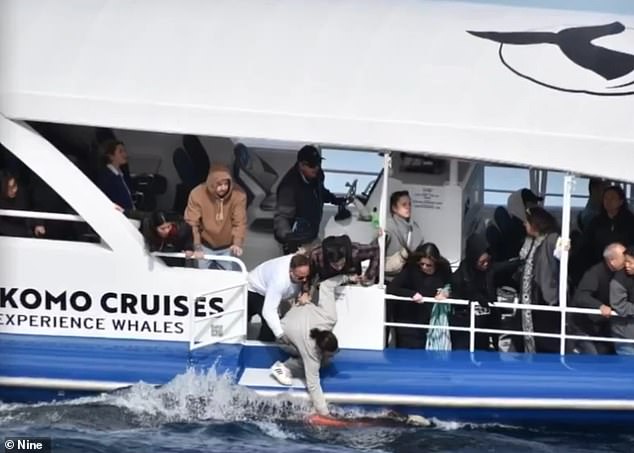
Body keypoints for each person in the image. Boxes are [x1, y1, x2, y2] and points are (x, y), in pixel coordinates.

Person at [269, 274, 346, 416]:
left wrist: (348, 277)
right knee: (321, 363)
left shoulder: (329, 319)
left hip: (295, 312)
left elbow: (327, 285)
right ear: (320, 349)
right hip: (282, 336)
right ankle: (283, 367)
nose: (333, 356)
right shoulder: (312, 352)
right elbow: (313, 385)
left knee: (322, 360)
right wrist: (325, 414)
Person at [451, 233, 521, 351]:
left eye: (487, 261)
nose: (486, 264)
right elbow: (457, 299)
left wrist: (521, 261)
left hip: (487, 326)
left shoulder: (490, 271)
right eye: (482, 262)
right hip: (466, 329)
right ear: (473, 258)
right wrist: (475, 298)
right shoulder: (460, 276)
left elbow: (505, 266)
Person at [273, 145, 345, 254]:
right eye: (312, 164)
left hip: (312, 234)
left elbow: (321, 191)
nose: (316, 167)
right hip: (296, 239)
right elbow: (282, 216)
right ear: (301, 165)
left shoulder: (317, 175)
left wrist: (334, 199)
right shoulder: (289, 187)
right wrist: (287, 237)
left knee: (320, 260)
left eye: (318, 163)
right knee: (300, 268)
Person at [386, 243, 452, 349]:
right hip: (408, 321)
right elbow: (392, 288)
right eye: (421, 264)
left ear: (436, 263)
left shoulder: (444, 270)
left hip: (431, 322)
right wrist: (412, 294)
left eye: (429, 265)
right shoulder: (411, 269)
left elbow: (451, 285)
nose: (424, 267)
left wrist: (445, 292)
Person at [518, 207, 565, 353]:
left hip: (546, 296)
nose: (524, 224)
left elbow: (562, 257)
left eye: (527, 221)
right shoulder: (531, 241)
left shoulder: (552, 239)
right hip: (532, 297)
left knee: (547, 338)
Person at [184, 164, 247, 271]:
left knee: (229, 277)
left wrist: (237, 243)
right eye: (219, 184)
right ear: (211, 183)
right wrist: (196, 246)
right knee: (200, 277)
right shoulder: (197, 194)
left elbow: (240, 222)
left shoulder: (239, 195)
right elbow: (192, 223)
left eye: (226, 184)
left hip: (227, 246)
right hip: (204, 245)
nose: (223, 188)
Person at [571, 243, 625, 355]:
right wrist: (600, 306)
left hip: (603, 326)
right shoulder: (595, 273)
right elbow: (581, 296)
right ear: (612, 260)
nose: (627, 260)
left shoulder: (622, 274)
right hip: (583, 326)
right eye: (624, 257)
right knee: (593, 357)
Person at [247, 253, 311, 342]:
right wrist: (280, 334)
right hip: (255, 289)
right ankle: (265, 345)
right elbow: (269, 311)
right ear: (290, 271)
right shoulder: (279, 281)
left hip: (273, 288)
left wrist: (305, 291)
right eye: (300, 278)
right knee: (268, 324)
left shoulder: (301, 262)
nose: (304, 280)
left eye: (306, 277)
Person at [578, 185, 634, 274]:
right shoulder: (596, 222)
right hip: (599, 265)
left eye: (612, 198)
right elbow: (586, 243)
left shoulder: (630, 221)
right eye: (605, 198)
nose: (608, 201)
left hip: (623, 268)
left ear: (621, 201)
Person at [384, 190, 424, 279]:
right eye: (404, 205)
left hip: (409, 275)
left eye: (409, 204)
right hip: (389, 277)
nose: (408, 207)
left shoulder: (415, 227)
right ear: (394, 208)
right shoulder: (387, 226)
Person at [0, 170, 46, 238]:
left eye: (14, 185)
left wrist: (38, 223)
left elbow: (34, 206)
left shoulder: (23, 192)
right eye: (9, 188)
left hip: (27, 231)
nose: (14, 190)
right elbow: (3, 226)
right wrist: (25, 231)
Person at [609, 246, 634, 355]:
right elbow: (619, 305)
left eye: (630, 262)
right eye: (626, 262)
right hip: (625, 334)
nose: (626, 265)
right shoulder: (618, 281)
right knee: (628, 366)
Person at [97, 140, 135, 211]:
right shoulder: (106, 176)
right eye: (120, 151)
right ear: (111, 156)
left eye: (124, 151)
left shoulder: (121, 174)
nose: (125, 154)